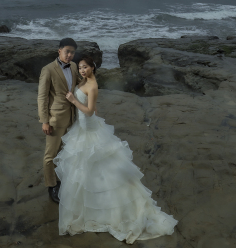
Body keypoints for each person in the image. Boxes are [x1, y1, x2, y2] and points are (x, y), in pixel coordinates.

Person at [54, 56, 177, 244]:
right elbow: (94, 111)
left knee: (99, 167)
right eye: (80, 68)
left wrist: (72, 100)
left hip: (88, 129)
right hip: (84, 128)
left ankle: (107, 209)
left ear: (93, 68)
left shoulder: (93, 85)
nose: (82, 70)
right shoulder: (84, 81)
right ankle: (88, 205)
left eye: (85, 67)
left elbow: (88, 110)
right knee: (86, 169)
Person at [38, 37, 81, 203]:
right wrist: (45, 121)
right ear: (59, 51)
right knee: (50, 155)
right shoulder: (48, 70)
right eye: (67, 51)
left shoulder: (75, 66)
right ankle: (51, 186)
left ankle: (61, 181)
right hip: (55, 119)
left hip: (72, 117)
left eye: (72, 52)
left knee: (64, 152)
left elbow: (78, 84)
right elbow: (42, 97)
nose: (69, 55)